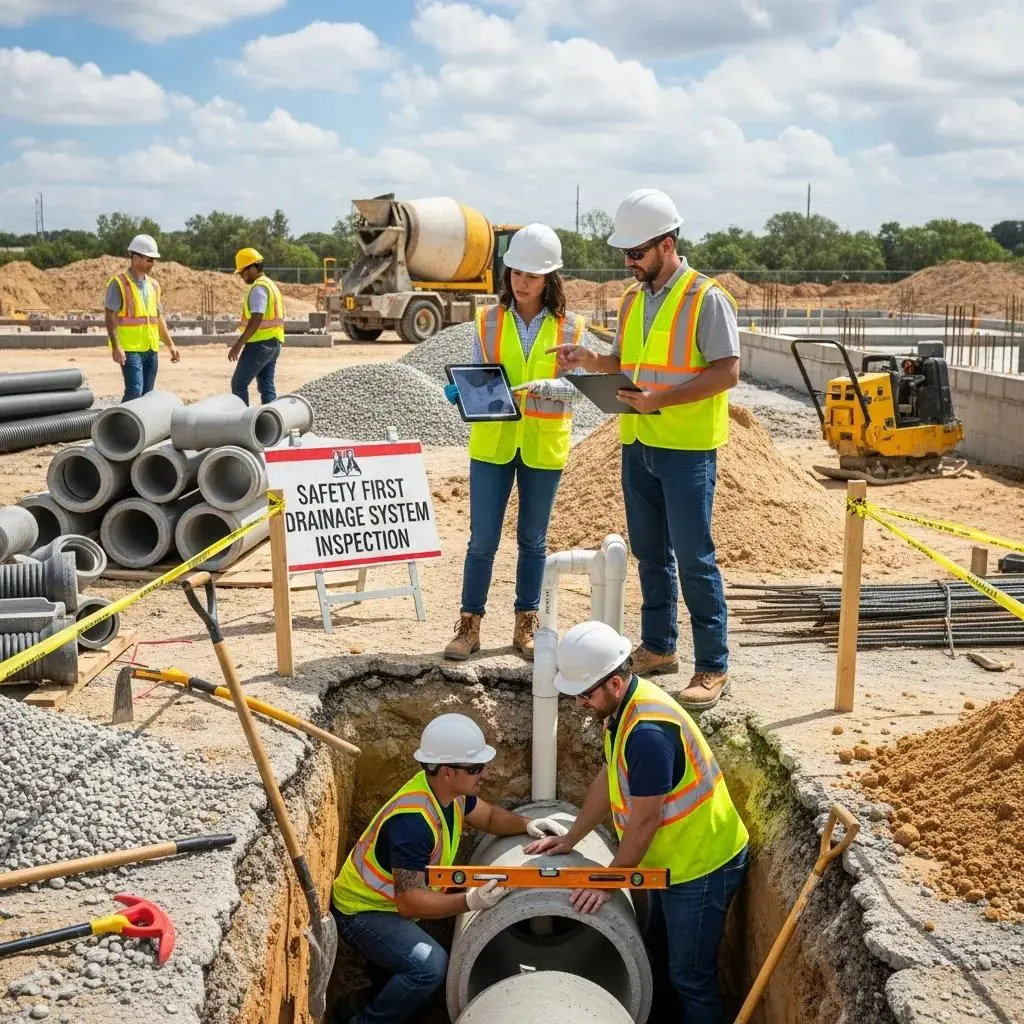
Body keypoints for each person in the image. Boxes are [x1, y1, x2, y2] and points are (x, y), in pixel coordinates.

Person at [549, 189, 740, 712]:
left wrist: (663, 400)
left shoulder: (707, 297)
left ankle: (712, 664)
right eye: (625, 254)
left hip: (686, 448)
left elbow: (728, 371)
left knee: (695, 558)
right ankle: (660, 646)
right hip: (638, 441)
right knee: (651, 555)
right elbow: (626, 363)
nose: (629, 263)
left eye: (637, 253)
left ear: (667, 245)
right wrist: (589, 359)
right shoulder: (634, 299)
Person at [525, 620, 749, 1024]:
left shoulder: (647, 732)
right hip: (670, 863)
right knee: (656, 955)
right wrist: (572, 836)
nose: (579, 704)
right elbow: (608, 779)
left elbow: (645, 820)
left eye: (584, 693)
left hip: (701, 865)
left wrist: (611, 880)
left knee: (692, 979)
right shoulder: (623, 711)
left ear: (613, 682)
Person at [331, 713, 568, 1024]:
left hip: (387, 905)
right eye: (474, 768)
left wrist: (529, 824)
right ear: (446, 771)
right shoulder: (413, 823)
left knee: (393, 976)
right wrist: (469, 901)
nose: (484, 773)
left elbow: (490, 818)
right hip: (362, 911)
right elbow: (409, 901)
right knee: (428, 967)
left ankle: (351, 1006)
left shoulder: (451, 795)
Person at [443, 223, 585, 663]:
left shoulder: (571, 326)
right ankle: (469, 627)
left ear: (549, 279)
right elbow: (480, 372)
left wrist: (552, 387)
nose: (521, 282)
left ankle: (526, 624)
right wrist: (462, 390)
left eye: (532, 275)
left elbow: (583, 386)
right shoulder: (487, 320)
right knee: (481, 540)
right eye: (516, 272)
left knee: (532, 540)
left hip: (543, 445)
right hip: (493, 444)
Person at [104, 233, 180, 402]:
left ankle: (138, 428)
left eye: (153, 260)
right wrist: (116, 347)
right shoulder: (119, 283)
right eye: (149, 259)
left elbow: (158, 318)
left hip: (151, 349)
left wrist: (170, 345)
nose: (152, 264)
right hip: (130, 349)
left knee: (147, 396)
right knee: (135, 391)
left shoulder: (154, 285)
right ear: (136, 258)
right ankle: (117, 425)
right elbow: (110, 316)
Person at [230, 247, 285, 405]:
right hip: (273, 343)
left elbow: (257, 318)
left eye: (242, 272)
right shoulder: (270, 284)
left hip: (259, 345)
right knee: (266, 386)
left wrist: (238, 344)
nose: (241, 276)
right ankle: (273, 425)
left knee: (239, 384)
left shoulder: (259, 288)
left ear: (253, 267)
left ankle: (242, 423)